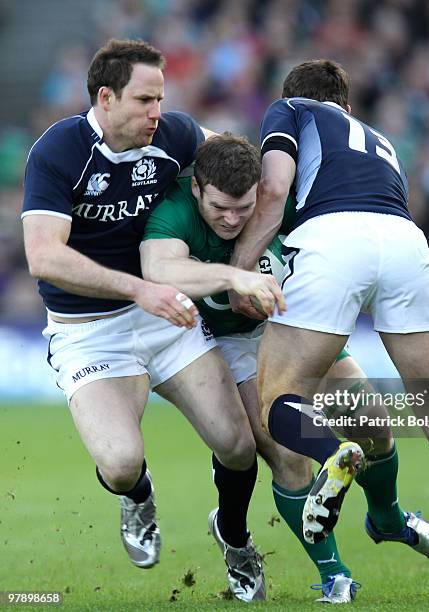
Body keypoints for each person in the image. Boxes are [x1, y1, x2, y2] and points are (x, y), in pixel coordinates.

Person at [229, 60, 429, 602]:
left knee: (278, 402)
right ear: (348, 104)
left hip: (334, 238)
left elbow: (274, 190)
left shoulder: (290, 110)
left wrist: (240, 271)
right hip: (406, 240)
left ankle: (333, 454)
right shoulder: (380, 140)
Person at [140, 133, 429, 604]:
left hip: (293, 328)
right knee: (286, 452)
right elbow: (160, 270)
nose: (231, 220)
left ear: (260, 195)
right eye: (219, 209)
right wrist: (236, 275)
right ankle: (334, 573)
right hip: (228, 342)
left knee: (373, 426)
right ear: (197, 190)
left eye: (243, 209)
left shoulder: (283, 200)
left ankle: (388, 519)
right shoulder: (175, 210)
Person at [21, 39, 283, 603]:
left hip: (167, 318)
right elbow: (44, 257)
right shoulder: (59, 151)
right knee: (119, 463)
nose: (156, 112)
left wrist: (241, 267)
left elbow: (243, 170)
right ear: (106, 97)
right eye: (145, 100)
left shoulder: (175, 134)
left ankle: (235, 540)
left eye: (161, 98)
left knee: (238, 444)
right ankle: (137, 497)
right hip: (89, 329)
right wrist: (141, 287)